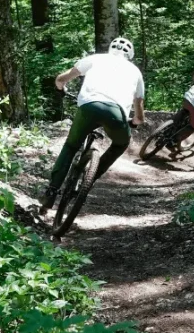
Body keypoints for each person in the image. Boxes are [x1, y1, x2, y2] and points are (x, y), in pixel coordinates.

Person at [40, 37, 145, 211]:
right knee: (121, 143)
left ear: (110, 48)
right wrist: (134, 121)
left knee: (71, 146)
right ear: (130, 55)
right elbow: (139, 112)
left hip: (88, 107)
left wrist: (61, 89)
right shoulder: (136, 72)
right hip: (116, 114)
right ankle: (89, 179)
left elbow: (60, 79)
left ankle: (51, 192)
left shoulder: (94, 59)